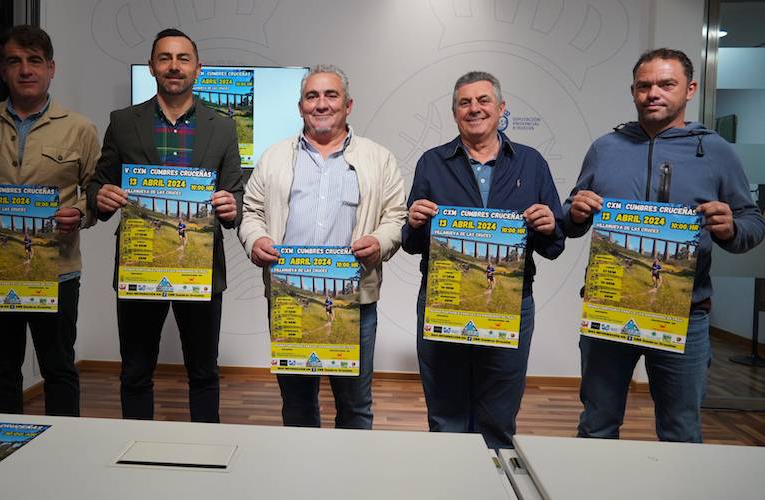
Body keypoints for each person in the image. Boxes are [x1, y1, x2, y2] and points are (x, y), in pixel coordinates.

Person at [564, 48, 765, 442]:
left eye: (666, 84)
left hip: (686, 316)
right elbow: (569, 221)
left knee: (680, 430)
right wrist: (574, 212)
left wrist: (729, 228)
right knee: (597, 424)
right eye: (645, 85)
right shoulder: (605, 148)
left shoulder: (716, 151)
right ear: (633, 91)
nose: (653, 93)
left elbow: (753, 223)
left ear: (689, 89)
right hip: (609, 313)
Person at [0, 25, 100, 416]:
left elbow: (97, 193)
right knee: (0, 371)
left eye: (34, 61)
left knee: (59, 370)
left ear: (51, 69)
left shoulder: (79, 128)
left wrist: (78, 214)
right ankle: (6, 458)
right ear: (3, 70)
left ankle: (60, 457)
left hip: (57, 273)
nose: (25, 70)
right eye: (15, 61)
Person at [87, 28, 243, 422]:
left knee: (204, 372)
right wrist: (99, 197)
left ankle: (207, 452)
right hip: (141, 264)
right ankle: (134, 458)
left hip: (202, 267)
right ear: (153, 67)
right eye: (165, 58)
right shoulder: (123, 122)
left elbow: (236, 193)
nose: (174, 66)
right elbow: (97, 184)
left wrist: (231, 205)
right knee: (136, 371)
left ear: (198, 68)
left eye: (183, 58)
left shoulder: (222, 126)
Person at [402, 71, 565, 449]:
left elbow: (554, 246)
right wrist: (412, 222)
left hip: (511, 304)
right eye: (464, 102)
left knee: (499, 415)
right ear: (455, 112)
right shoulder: (432, 163)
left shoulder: (531, 163)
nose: (474, 108)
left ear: (501, 108)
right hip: (443, 302)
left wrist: (547, 224)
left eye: (483, 100)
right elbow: (412, 244)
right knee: (445, 416)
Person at [239, 64, 407, 429]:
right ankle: (302, 480)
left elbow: (396, 216)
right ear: (300, 107)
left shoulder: (379, 159)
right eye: (312, 96)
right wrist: (256, 240)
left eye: (331, 95)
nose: (321, 104)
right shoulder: (274, 157)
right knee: (297, 404)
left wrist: (380, 242)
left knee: (355, 405)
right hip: (290, 299)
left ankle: (350, 483)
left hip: (355, 302)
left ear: (348, 105)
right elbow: (250, 211)